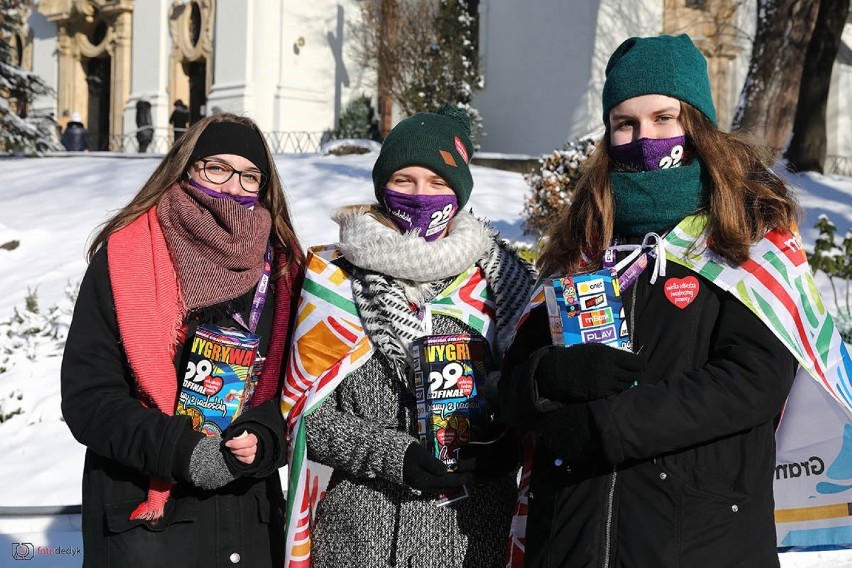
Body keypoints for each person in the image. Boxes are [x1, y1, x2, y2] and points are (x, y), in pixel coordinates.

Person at [498, 34, 802, 567]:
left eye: (665, 118)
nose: (646, 137)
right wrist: (549, 380)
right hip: (574, 536)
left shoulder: (747, 230)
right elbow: (514, 384)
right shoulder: (587, 239)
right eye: (626, 123)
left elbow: (755, 378)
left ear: (698, 123)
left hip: (698, 539)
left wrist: (608, 426)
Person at [283, 105, 534, 567]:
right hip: (360, 539)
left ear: (458, 193)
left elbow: (533, 395)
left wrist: (505, 441)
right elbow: (305, 416)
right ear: (382, 187)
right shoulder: (334, 281)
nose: (421, 195)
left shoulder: (504, 284)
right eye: (404, 180)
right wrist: (391, 455)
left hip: (470, 538)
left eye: (438, 183)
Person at [61, 113, 303, 567]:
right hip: (146, 525)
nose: (233, 187)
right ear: (187, 166)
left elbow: (297, 393)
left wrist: (264, 440)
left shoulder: (285, 270)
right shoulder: (126, 256)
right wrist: (183, 450)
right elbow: (88, 397)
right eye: (217, 168)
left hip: (248, 525)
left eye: (250, 176)